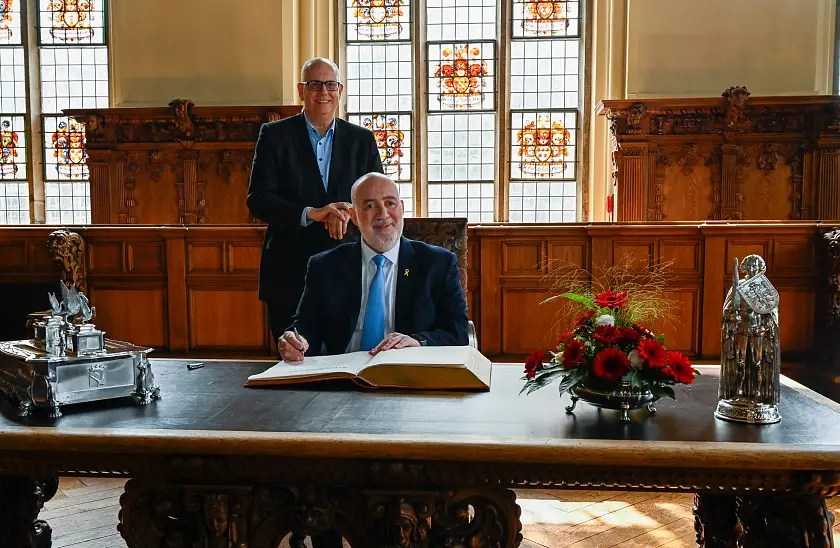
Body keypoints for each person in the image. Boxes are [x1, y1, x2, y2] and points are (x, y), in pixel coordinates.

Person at [247, 57, 384, 346]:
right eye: (315, 84)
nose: (324, 91)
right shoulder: (274, 136)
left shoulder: (362, 140)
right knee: (292, 363)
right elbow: (257, 200)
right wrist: (312, 213)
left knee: (347, 358)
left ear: (340, 90)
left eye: (330, 84)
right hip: (288, 269)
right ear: (301, 90)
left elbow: (378, 199)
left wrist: (347, 209)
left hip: (349, 267)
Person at [278, 172, 469, 362]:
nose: (383, 214)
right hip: (341, 377)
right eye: (370, 206)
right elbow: (305, 327)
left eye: (390, 203)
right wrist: (294, 341)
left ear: (401, 208)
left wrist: (417, 341)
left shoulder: (438, 263)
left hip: (410, 375)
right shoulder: (325, 266)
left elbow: (458, 333)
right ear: (353, 216)